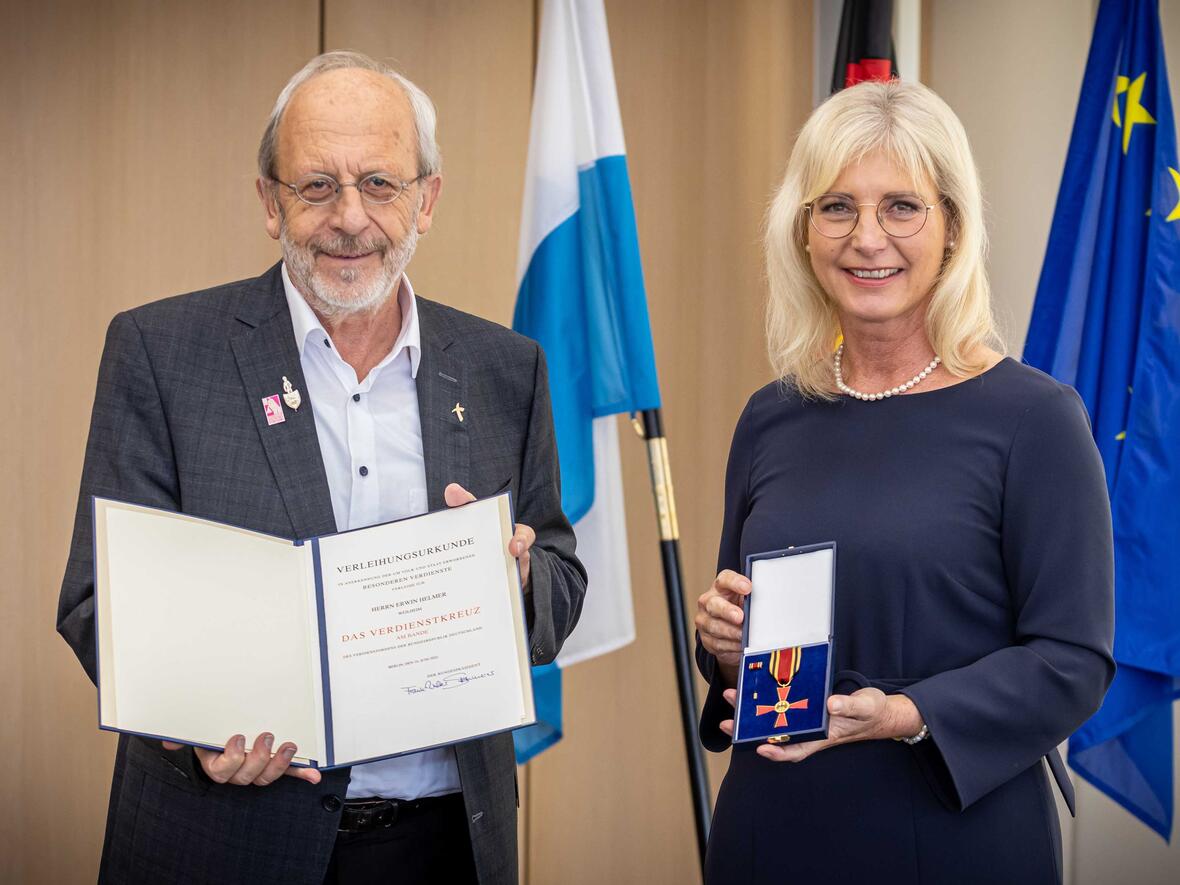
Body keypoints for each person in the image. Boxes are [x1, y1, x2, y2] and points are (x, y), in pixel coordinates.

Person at [57, 50, 586, 885]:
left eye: (380, 183)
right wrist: (191, 725)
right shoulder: (161, 353)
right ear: (270, 202)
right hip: (223, 839)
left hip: (444, 841)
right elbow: (97, 601)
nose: (350, 217)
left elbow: (560, 577)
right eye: (316, 186)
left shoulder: (503, 368)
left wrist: (516, 580)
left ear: (427, 199)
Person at [695, 79, 1114, 885]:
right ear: (804, 232)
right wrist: (724, 650)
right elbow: (747, 648)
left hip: (951, 834)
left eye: (901, 207)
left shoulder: (1035, 418)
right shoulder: (770, 415)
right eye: (837, 207)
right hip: (771, 832)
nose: (866, 238)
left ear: (952, 229)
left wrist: (906, 713)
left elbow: (1073, 659)